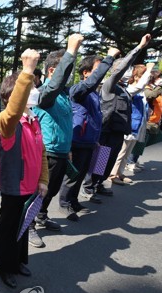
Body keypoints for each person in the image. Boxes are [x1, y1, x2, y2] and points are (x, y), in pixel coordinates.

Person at [0, 48, 48, 288]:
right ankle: (4, 266)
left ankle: (17, 261)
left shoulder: (33, 118)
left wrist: (43, 179)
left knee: (23, 226)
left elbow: (42, 152)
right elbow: (13, 111)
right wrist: (26, 71)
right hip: (14, 187)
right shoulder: (6, 121)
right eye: (28, 87)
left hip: (32, 186)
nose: (33, 91)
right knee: (8, 227)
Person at [83, 34, 152, 198]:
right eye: (124, 69)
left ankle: (99, 183)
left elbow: (140, 86)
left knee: (108, 161)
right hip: (106, 131)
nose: (127, 71)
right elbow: (120, 69)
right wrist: (139, 47)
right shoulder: (109, 85)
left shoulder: (125, 90)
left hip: (118, 132)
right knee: (100, 160)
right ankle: (89, 186)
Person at [31, 33, 83, 247]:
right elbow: (53, 86)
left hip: (62, 151)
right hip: (48, 152)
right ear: (53, 71)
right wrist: (71, 51)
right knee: (40, 191)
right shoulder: (46, 92)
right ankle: (29, 225)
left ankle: (41, 216)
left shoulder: (63, 95)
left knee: (50, 191)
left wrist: (68, 148)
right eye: (67, 71)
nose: (70, 77)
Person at [58, 48, 120, 220]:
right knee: (72, 176)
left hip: (90, 141)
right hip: (78, 140)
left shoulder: (93, 94)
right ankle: (65, 203)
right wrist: (109, 59)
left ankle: (74, 199)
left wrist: (96, 139)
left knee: (83, 173)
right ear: (86, 73)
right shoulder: (79, 90)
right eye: (97, 70)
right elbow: (92, 82)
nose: (100, 75)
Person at [109, 62, 154, 185]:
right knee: (106, 155)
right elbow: (138, 87)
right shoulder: (112, 87)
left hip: (122, 127)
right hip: (109, 128)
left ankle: (104, 180)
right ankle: (98, 181)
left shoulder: (122, 88)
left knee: (119, 153)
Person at [126, 70, 162, 171]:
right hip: (110, 130)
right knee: (115, 152)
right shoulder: (129, 89)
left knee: (120, 153)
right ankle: (127, 164)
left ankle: (113, 175)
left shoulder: (139, 90)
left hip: (117, 128)